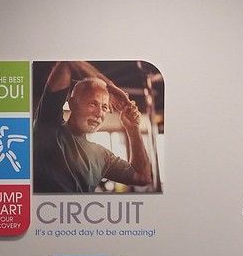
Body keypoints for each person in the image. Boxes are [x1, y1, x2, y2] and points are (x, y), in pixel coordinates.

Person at [33, 61, 153, 193]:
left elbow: (142, 177)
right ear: (72, 104)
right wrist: (110, 86)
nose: (99, 114)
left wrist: (132, 129)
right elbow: (67, 64)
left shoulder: (101, 156)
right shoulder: (49, 126)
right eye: (92, 104)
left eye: (104, 107)